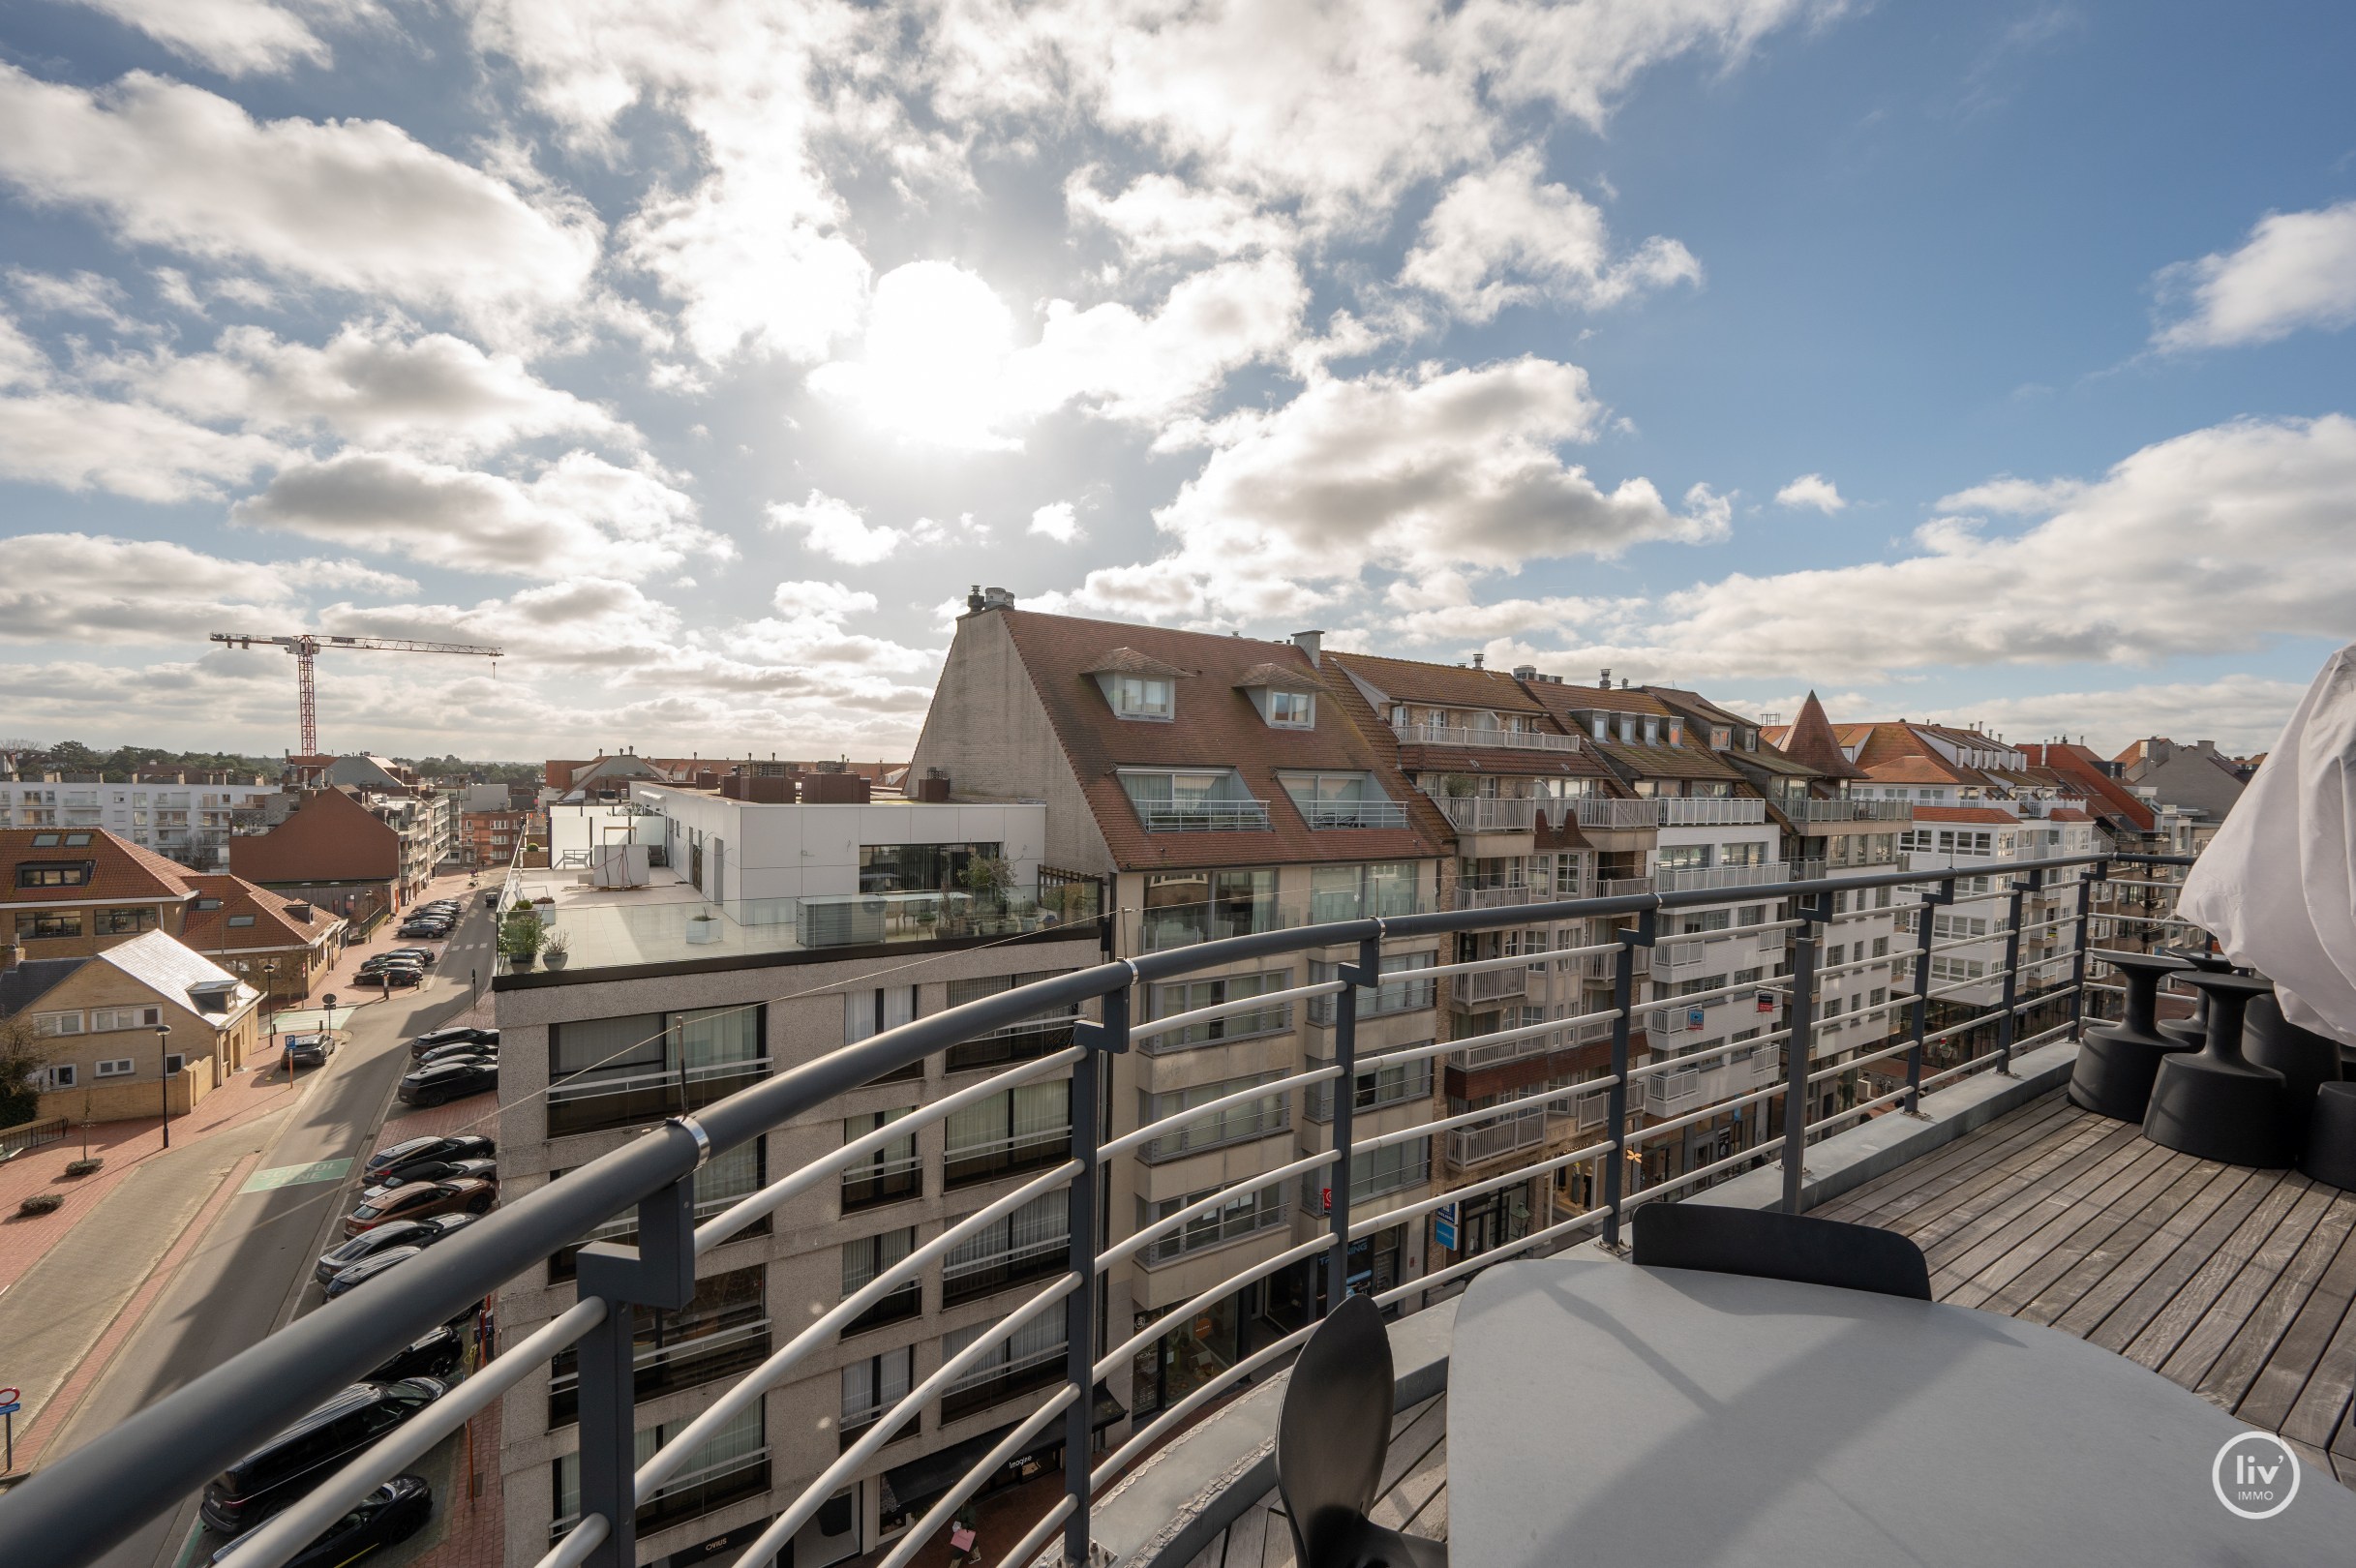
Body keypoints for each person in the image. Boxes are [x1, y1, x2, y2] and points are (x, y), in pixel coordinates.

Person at [948, 1500, 981, 1567]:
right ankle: (977, 1556)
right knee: (973, 1544)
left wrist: (961, 1525)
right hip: (966, 1532)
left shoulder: (970, 1510)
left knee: (958, 1552)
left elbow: (971, 1524)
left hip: (966, 1532)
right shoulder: (962, 1505)